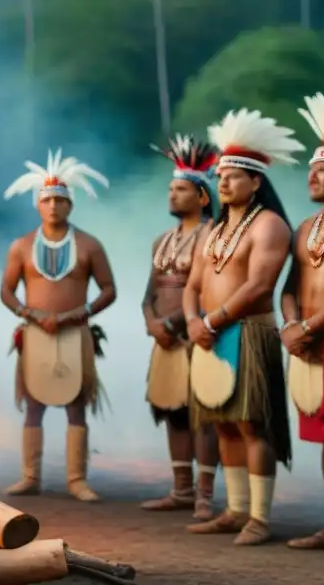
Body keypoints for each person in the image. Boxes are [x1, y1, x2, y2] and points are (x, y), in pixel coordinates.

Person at [184, 108, 299, 545]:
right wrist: (194, 320)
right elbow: (193, 284)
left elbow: (258, 287)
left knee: (253, 424)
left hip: (249, 331)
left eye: (233, 176)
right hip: (209, 335)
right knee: (223, 424)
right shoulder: (211, 231)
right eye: (220, 176)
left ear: (256, 181)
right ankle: (233, 510)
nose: (223, 182)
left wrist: (210, 320)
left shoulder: (270, 225)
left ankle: (259, 518)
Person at [0, 149, 117, 502]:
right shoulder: (21, 247)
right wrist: (30, 314)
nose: (53, 206)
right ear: (38, 205)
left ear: (70, 205)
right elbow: (6, 290)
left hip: (75, 331)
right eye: (47, 199)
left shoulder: (89, 245)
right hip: (35, 333)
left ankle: (76, 479)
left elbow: (109, 289)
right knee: (34, 403)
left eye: (60, 200)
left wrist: (77, 315)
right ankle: (30, 476)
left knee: (76, 403)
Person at [140, 135, 221, 520]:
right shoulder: (162, 240)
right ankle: (182, 490)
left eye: (182, 189)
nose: (172, 195)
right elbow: (148, 294)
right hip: (165, 340)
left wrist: (175, 322)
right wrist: (152, 323)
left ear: (203, 196)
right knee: (172, 411)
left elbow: (212, 290)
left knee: (203, 414)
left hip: (198, 335)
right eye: (171, 188)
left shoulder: (213, 236)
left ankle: (205, 495)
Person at [281, 89, 324, 551]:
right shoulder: (304, 228)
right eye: (310, 170)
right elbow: (288, 288)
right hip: (310, 341)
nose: (312, 176)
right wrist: (289, 325)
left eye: (322, 169)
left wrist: (309, 326)